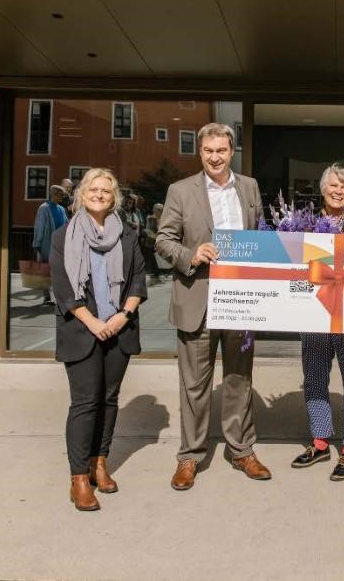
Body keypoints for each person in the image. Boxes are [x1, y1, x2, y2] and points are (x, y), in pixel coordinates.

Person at [155, 122, 269, 490]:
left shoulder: (249, 187)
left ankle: (241, 450)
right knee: (194, 386)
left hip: (241, 301)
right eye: (208, 151)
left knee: (239, 380)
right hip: (198, 298)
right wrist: (193, 254)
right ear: (200, 152)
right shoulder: (180, 191)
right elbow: (163, 240)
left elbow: (261, 236)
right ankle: (190, 457)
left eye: (221, 150)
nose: (215, 157)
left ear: (231, 150)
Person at [50, 168, 148, 511]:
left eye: (106, 190)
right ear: (82, 194)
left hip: (119, 329)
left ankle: (99, 463)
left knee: (108, 399)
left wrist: (123, 316)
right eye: (94, 189)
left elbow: (138, 279)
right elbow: (63, 289)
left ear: (114, 196)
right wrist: (93, 322)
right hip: (82, 330)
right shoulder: (64, 236)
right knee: (85, 402)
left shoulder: (128, 234)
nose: (99, 194)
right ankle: (78, 478)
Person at [291, 164, 344, 481]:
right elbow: (293, 271)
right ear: (322, 189)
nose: (339, 191)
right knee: (315, 380)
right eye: (333, 185)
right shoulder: (305, 224)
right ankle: (319, 442)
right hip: (314, 314)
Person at [33, 185, 69, 306]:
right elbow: (39, 227)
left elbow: (66, 225)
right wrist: (37, 245)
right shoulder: (43, 209)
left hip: (59, 245)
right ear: (54, 194)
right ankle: (47, 296)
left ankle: (60, 296)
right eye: (60, 195)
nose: (62, 197)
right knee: (45, 271)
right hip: (46, 244)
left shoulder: (61, 209)